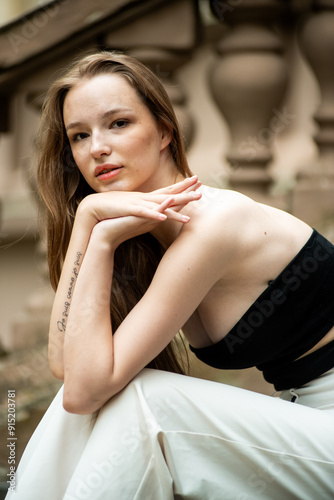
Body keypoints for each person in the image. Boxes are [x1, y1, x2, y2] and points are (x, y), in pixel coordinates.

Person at [6, 51, 334, 500]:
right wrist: (88, 227)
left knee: (145, 402)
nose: (96, 147)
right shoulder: (141, 237)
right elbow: (70, 368)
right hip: (304, 423)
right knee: (102, 406)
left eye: (118, 123)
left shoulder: (215, 225)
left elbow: (82, 390)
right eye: (79, 136)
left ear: (165, 130)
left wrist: (97, 235)